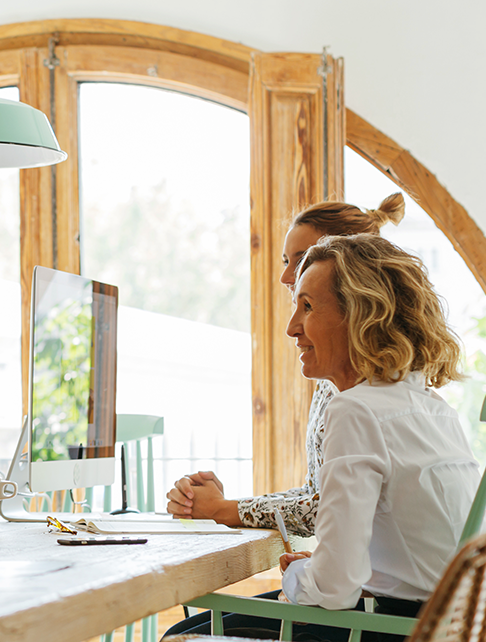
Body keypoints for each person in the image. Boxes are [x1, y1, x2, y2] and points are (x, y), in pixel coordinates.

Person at [170, 234, 479, 642]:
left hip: (407, 631)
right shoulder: (433, 406)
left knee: (182, 634)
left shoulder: (356, 409)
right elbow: (419, 550)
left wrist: (303, 574)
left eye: (308, 307)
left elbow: (334, 591)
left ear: (361, 315)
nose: (291, 327)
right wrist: (322, 570)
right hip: (468, 625)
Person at [165, 194, 406, 536]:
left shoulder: (366, 394)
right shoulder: (337, 378)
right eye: (286, 261)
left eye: (303, 260)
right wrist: (226, 506)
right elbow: (318, 497)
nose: (285, 277)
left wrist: (226, 510)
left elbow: (323, 510)